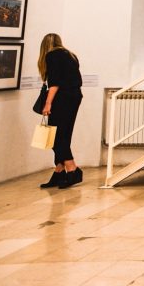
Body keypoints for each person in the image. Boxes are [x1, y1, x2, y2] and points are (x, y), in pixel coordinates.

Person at [37, 33, 84, 189]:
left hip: (62, 98)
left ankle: (73, 169)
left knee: (56, 137)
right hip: (75, 96)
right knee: (64, 134)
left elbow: (55, 83)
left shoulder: (51, 56)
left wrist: (48, 103)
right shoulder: (71, 55)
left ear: (45, 45)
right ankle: (59, 171)